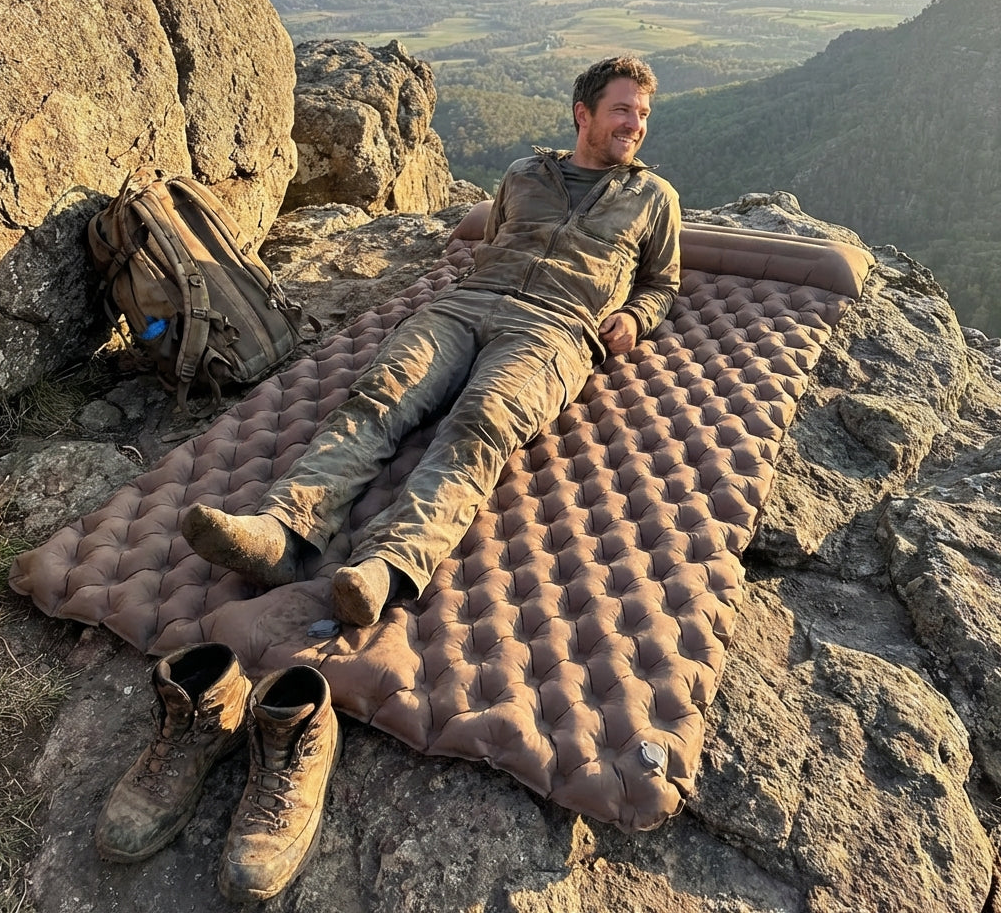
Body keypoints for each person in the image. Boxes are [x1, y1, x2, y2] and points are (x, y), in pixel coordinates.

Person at [181, 54, 681, 628]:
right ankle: (282, 533)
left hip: (555, 325)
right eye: (621, 110)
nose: (634, 125)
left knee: (482, 421)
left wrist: (638, 316)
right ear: (582, 114)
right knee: (381, 394)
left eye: (642, 114)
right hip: (466, 302)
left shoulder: (653, 197)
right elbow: (492, 241)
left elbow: (662, 282)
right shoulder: (523, 174)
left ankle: (387, 565)